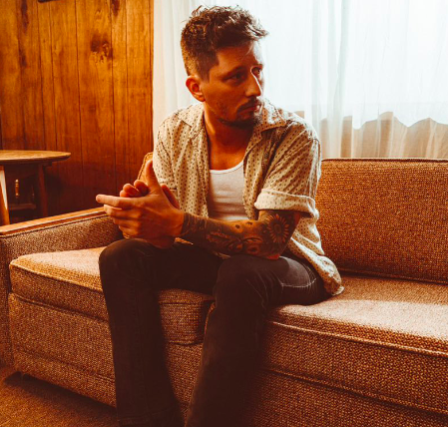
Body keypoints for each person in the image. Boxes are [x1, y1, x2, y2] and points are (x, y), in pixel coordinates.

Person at [96, 5, 344, 427]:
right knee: (121, 256)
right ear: (197, 87)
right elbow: (168, 237)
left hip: (292, 266)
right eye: (236, 76)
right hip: (214, 259)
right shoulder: (175, 131)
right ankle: (147, 419)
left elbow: (270, 241)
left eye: (258, 71)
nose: (255, 88)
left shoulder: (293, 135)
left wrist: (175, 223)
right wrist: (148, 222)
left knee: (241, 272)